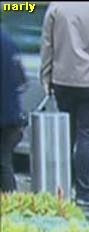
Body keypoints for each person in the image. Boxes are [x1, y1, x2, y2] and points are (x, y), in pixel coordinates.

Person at [39, 2, 89, 208]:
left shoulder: (58, 7)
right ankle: (84, 192)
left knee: (66, 137)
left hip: (63, 78)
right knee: (86, 136)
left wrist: (46, 76)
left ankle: (60, 188)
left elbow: (47, 44)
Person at [1, 28, 27, 193]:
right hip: (11, 115)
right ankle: (11, 200)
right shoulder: (8, 40)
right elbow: (22, 81)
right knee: (4, 161)